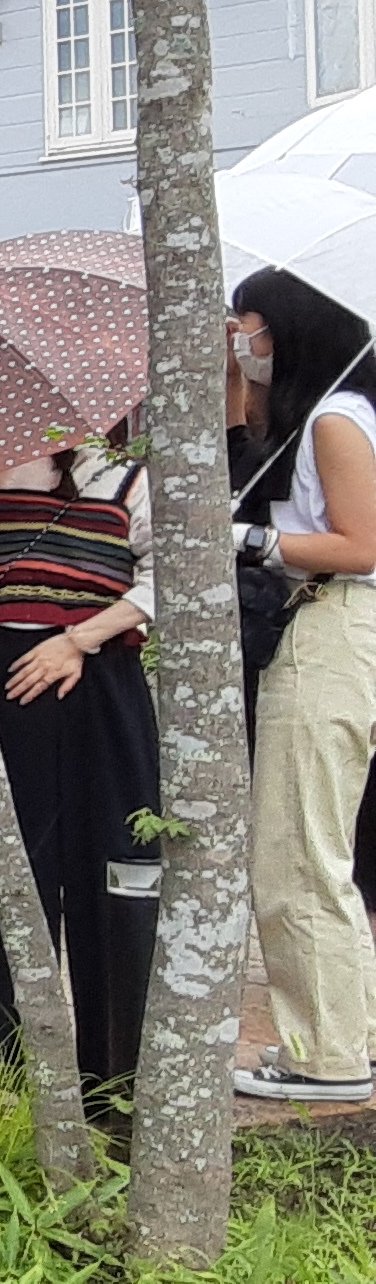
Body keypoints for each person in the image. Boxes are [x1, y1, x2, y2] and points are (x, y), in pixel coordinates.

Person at [0, 435, 159, 1111]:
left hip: (105, 688)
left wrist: (78, 640)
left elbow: (167, 579)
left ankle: (114, 1078)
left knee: (114, 871)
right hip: (5, 691)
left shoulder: (126, 477)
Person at [232, 267, 376, 1103]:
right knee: (321, 848)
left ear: (287, 329)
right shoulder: (337, 413)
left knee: (296, 851)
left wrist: (251, 542)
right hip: (338, 628)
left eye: (248, 326)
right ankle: (347, 1038)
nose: (243, 344)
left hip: (331, 625)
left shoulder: (335, 419)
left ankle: (324, 1056)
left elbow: (359, 545)